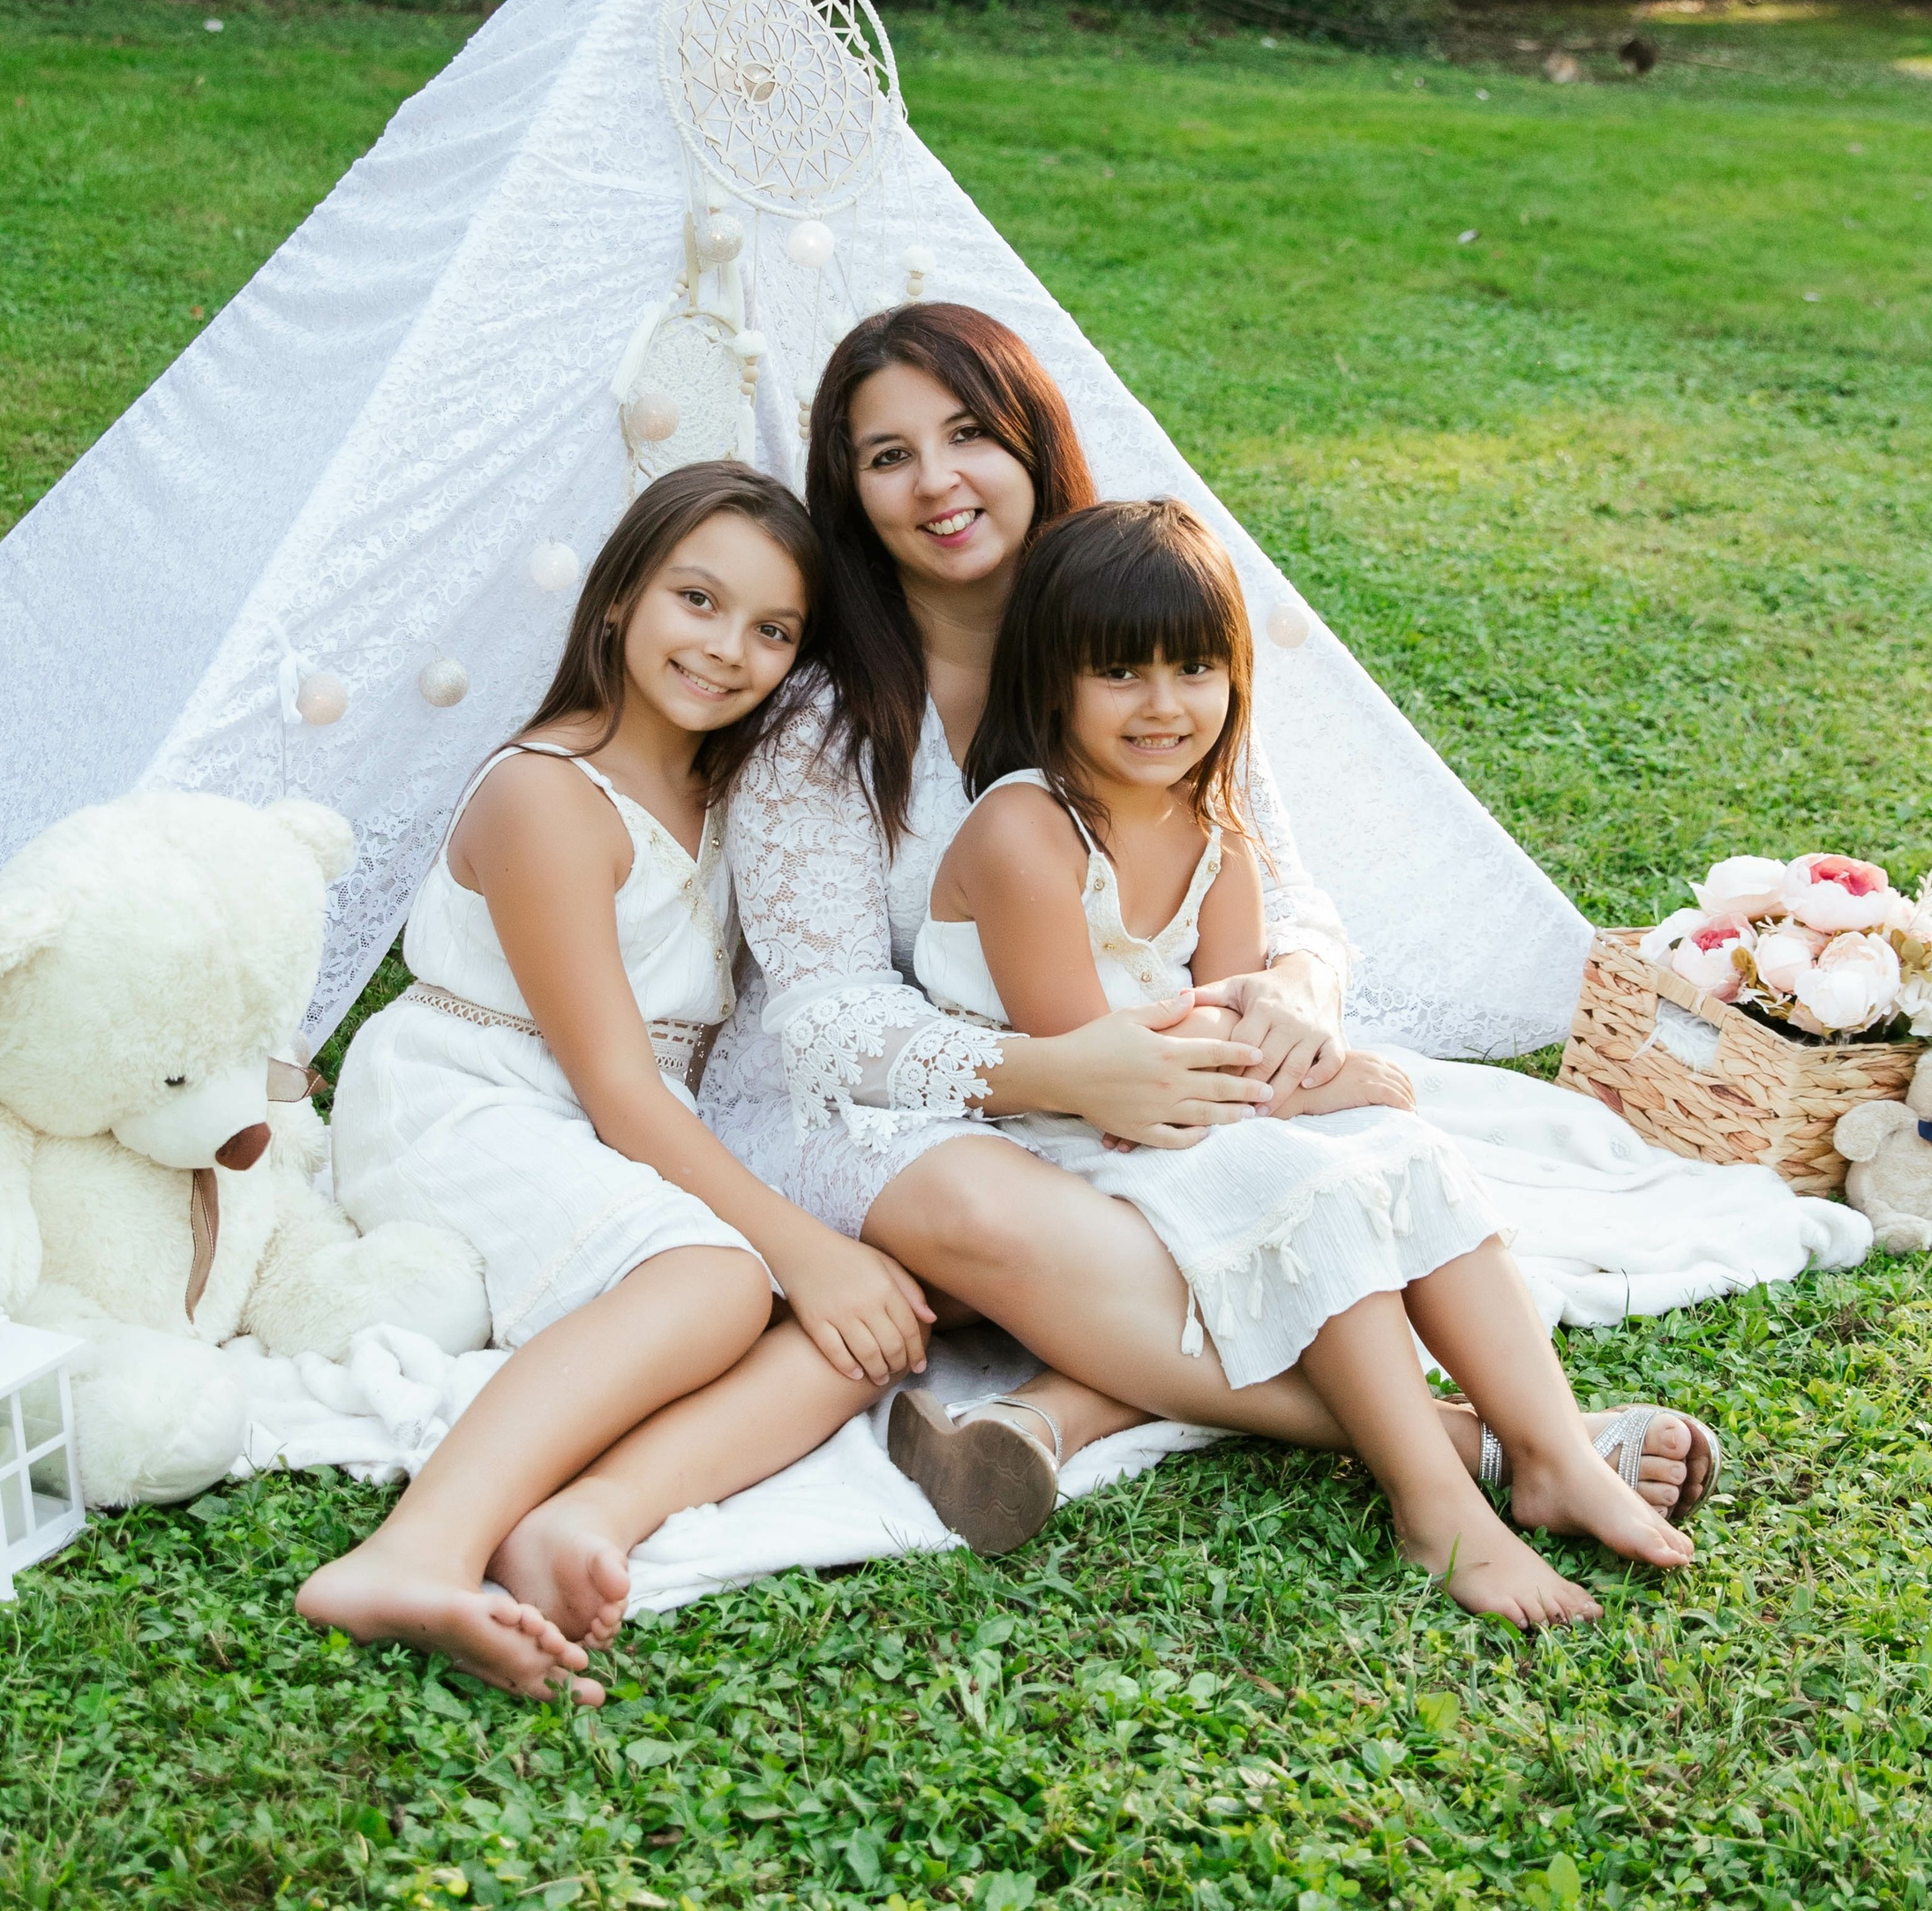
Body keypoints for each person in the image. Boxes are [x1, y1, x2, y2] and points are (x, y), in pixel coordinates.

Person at [490, 307, 1710, 1643]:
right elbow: (829, 1010)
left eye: (968, 435)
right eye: (888, 454)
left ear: (1031, 440)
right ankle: (1465, 1439)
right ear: (851, 490)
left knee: (1284, 1184)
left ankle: (1149, 1408)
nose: (939, 480)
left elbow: (1281, 889)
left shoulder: (1147, 638)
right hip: (887, 1102)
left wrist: (1295, 993)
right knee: (995, 1215)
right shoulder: (821, 715)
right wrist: (1050, 1067)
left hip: (1132, 1076)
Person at [895, 495, 1695, 1625]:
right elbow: (1101, 1062)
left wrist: (1318, 1080)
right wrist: (1318, 1079)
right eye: (1121, 672)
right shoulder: (1023, 830)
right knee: (1309, 1181)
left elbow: (1237, 1016)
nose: (1165, 705)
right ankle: (1436, 1508)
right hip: (1060, 1130)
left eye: (1195, 669)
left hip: (1190, 1114)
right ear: (1051, 679)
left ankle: (1552, 1447)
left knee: (1401, 1150)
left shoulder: (1218, 834)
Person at [296, 463, 936, 1697]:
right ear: (617, 600)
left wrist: (828, 1251)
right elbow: (618, 1086)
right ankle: (413, 1550)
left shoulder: (728, 792)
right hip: (466, 1091)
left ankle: (583, 1515)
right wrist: (800, 1246)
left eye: (772, 629)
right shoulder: (548, 791)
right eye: (697, 599)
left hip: (616, 1117)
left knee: (871, 1312)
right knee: (724, 1277)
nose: (726, 647)